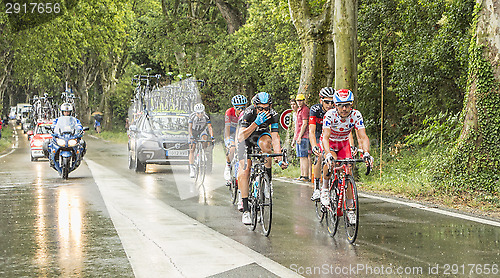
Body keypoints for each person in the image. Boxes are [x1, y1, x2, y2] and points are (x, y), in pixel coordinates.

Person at [320, 89, 373, 224]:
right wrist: (327, 154)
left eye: (347, 105)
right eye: (341, 105)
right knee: (331, 161)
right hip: (330, 143)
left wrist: (366, 152)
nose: (344, 109)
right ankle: (325, 188)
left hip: (343, 143)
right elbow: (325, 137)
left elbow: (363, 136)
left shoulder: (356, 115)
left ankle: (350, 209)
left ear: (352, 105)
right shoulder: (329, 115)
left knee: (348, 171)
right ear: (335, 105)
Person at [237, 92, 288, 225]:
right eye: (260, 108)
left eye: (267, 108)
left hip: (261, 136)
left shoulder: (274, 114)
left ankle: (267, 181)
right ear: (255, 106)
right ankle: (246, 210)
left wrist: (279, 156)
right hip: (246, 138)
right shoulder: (248, 112)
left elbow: (275, 137)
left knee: (267, 145)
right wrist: (255, 123)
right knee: (245, 170)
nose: (264, 111)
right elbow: (240, 137)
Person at [309, 87, 335, 201]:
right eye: (327, 102)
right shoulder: (315, 110)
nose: (330, 104)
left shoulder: (338, 109)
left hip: (332, 134)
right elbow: (311, 131)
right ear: (321, 101)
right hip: (319, 133)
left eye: (332, 102)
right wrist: (314, 145)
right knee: (319, 156)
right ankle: (317, 188)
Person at [224, 95, 248, 183]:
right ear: (234, 107)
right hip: (231, 132)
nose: (241, 110)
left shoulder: (247, 113)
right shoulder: (229, 112)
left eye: (243, 107)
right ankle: (228, 166)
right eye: (238, 108)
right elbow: (227, 129)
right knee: (232, 148)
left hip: (241, 132)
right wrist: (228, 142)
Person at [188, 103, 214, 178]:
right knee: (192, 149)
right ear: (195, 112)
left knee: (205, 137)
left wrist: (212, 137)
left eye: (201, 113)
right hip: (193, 131)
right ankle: (192, 168)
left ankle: (204, 151)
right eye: (198, 113)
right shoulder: (192, 117)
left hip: (202, 131)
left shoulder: (206, 117)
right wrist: (191, 137)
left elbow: (209, 127)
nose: (200, 114)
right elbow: (189, 128)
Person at [294, 94, 311, 181]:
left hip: (304, 136)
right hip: (298, 136)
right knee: (301, 156)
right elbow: (297, 125)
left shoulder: (305, 110)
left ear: (304, 101)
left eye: (301, 100)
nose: (299, 102)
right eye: (298, 101)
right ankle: (302, 174)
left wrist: (300, 136)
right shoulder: (298, 110)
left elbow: (304, 124)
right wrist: (295, 138)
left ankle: (305, 175)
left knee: (304, 156)